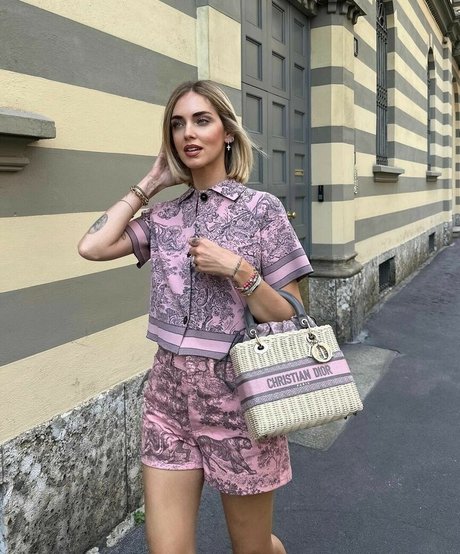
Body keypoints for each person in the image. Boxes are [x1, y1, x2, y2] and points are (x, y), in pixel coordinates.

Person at [78, 80, 313, 554]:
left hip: (240, 401)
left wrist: (240, 271)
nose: (188, 132)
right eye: (177, 124)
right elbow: (93, 246)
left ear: (227, 132)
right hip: (168, 400)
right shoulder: (164, 217)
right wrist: (150, 183)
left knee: (252, 548)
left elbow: (291, 311)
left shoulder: (261, 211)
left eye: (201, 120)